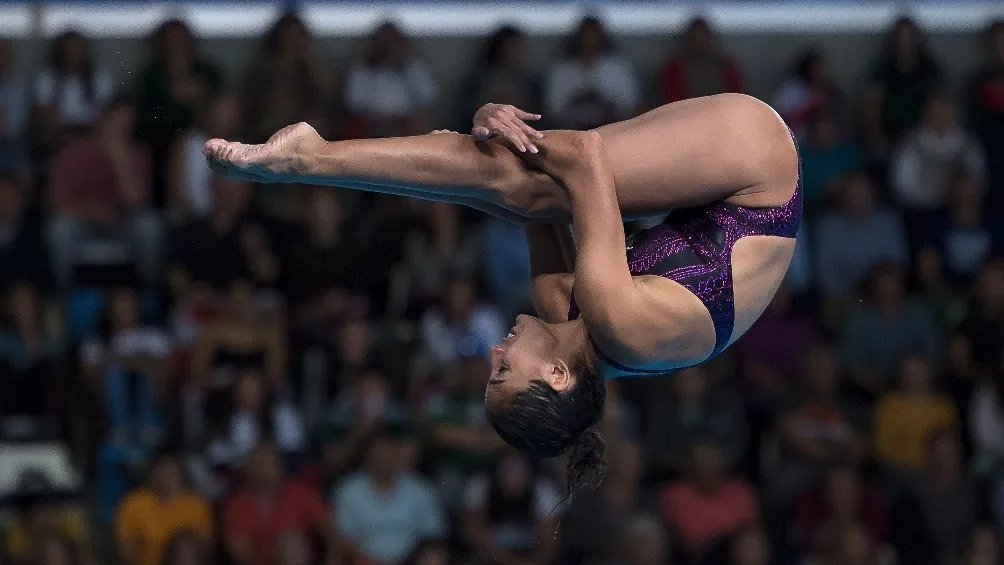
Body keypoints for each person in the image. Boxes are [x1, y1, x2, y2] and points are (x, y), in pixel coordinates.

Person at [204, 93, 802, 496]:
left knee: (512, 189)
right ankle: (305, 159)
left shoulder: (562, 314)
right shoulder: (621, 323)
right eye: (503, 374)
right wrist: (495, 146)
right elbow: (579, 160)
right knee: (526, 186)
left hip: (712, 191)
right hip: (754, 166)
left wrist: (482, 136)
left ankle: (309, 159)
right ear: (559, 374)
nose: (494, 355)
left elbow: (501, 197)